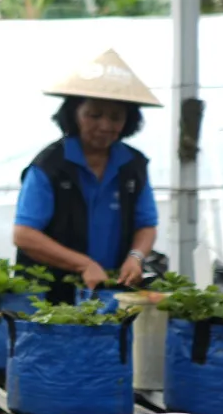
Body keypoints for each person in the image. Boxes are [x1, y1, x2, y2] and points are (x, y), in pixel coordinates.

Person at [13, 49, 161, 302]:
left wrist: (135, 258)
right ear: (74, 115)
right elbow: (24, 235)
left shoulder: (133, 165)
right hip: (50, 297)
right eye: (94, 115)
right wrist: (83, 264)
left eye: (116, 117)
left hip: (111, 290)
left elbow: (146, 224)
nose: (105, 125)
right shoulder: (50, 166)